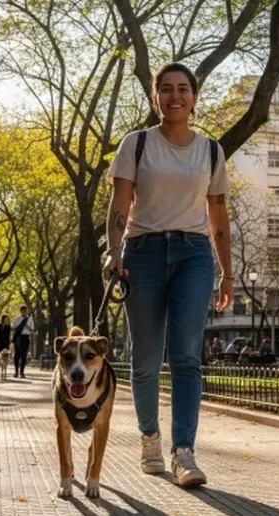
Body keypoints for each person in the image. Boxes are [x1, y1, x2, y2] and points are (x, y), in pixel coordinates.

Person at [104, 63, 233, 488]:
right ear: (154, 96)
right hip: (142, 253)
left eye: (183, 89)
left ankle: (184, 453)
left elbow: (217, 214)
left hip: (194, 254)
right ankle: (149, 439)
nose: (175, 96)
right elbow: (120, 205)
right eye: (166, 89)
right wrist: (114, 251)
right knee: (144, 358)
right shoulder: (136, 145)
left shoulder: (211, 151)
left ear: (195, 98)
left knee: (186, 357)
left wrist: (227, 272)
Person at [11, 305, 34, 378]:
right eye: (23, 311)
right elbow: (14, 328)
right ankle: (16, 372)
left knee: (24, 355)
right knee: (17, 355)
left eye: (26, 311)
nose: (25, 312)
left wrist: (27, 326)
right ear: (21, 311)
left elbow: (32, 330)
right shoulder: (16, 319)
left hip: (26, 337)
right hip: (18, 337)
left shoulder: (30, 319)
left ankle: (22, 372)